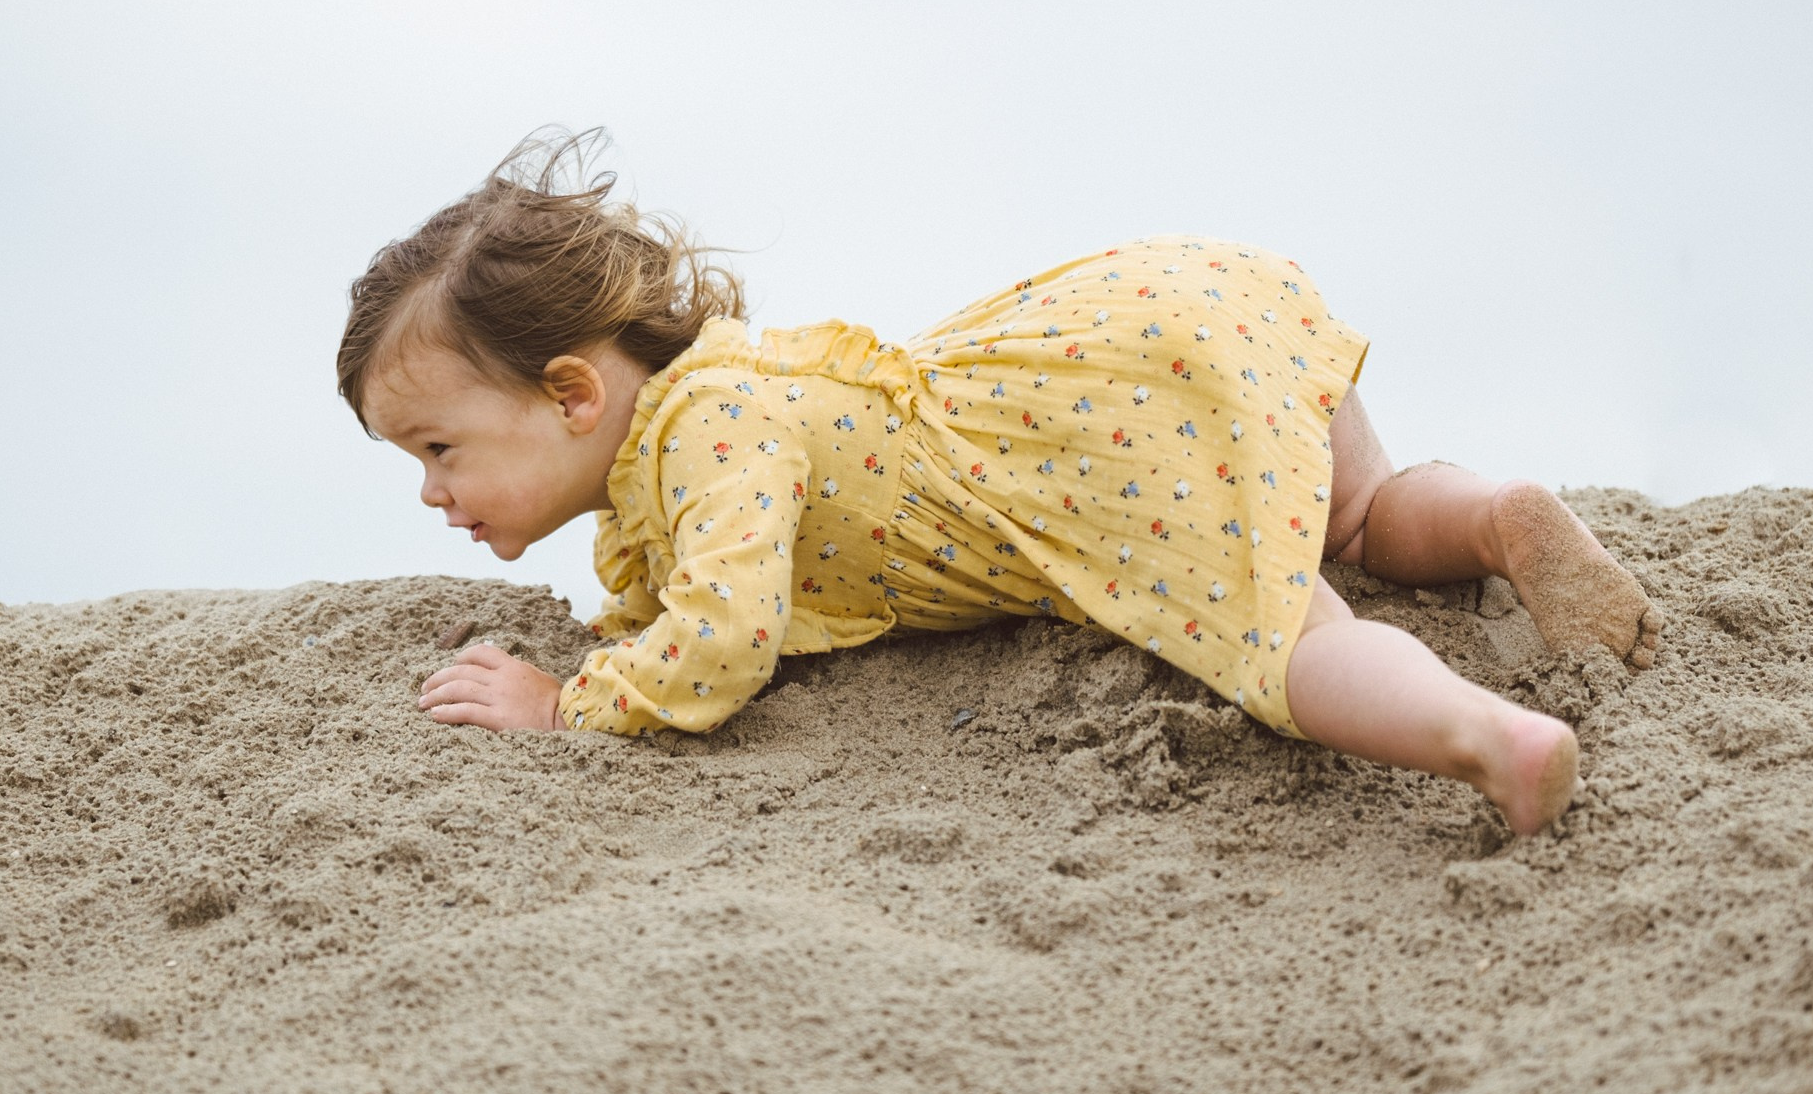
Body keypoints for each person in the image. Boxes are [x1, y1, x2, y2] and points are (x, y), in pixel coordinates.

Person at [337, 133, 1661, 836]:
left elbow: (724, 641)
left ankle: (1497, 741)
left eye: (440, 449)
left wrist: (570, 705)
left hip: (1112, 446)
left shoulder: (706, 430)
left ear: (573, 392)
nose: (431, 493)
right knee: (1358, 517)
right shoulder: (714, 411)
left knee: (1285, 633)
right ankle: (1492, 515)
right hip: (1169, 331)